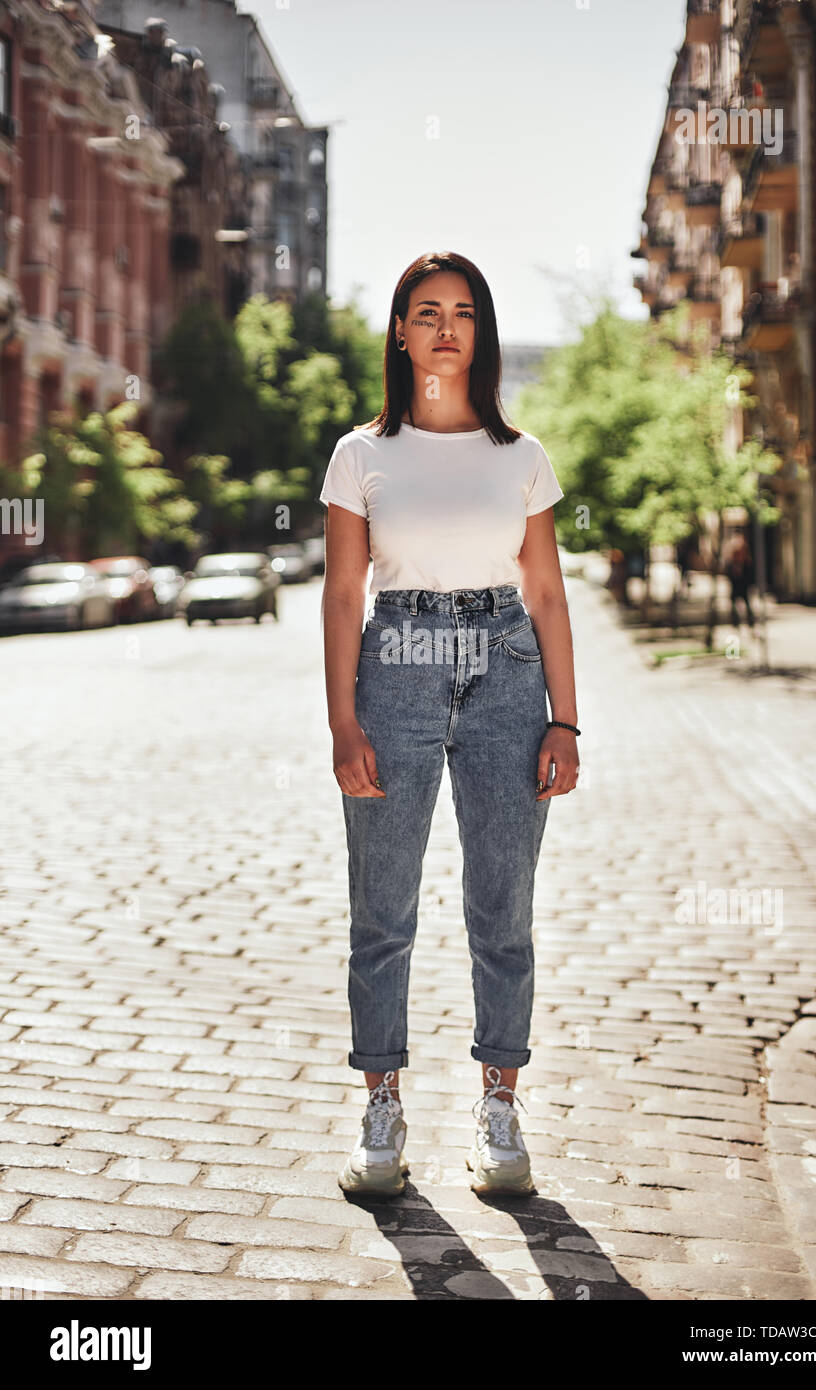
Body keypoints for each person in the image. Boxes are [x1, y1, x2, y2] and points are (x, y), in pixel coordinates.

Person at [319, 250, 580, 1199]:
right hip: (394, 670)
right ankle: (380, 1108)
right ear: (399, 331)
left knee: (501, 909)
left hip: (507, 672)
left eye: (462, 311)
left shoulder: (521, 455)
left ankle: (499, 1108)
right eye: (425, 311)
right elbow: (343, 593)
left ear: (482, 333)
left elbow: (545, 590)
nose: (443, 327)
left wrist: (566, 722)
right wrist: (344, 721)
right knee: (381, 911)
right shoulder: (361, 454)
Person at [723, 531, 756, 630]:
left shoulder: (746, 562)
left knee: (746, 603)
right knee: (734, 603)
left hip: (743, 585)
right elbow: (728, 574)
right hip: (736, 585)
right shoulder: (731, 563)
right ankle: (736, 622)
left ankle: (749, 622)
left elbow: (750, 574)